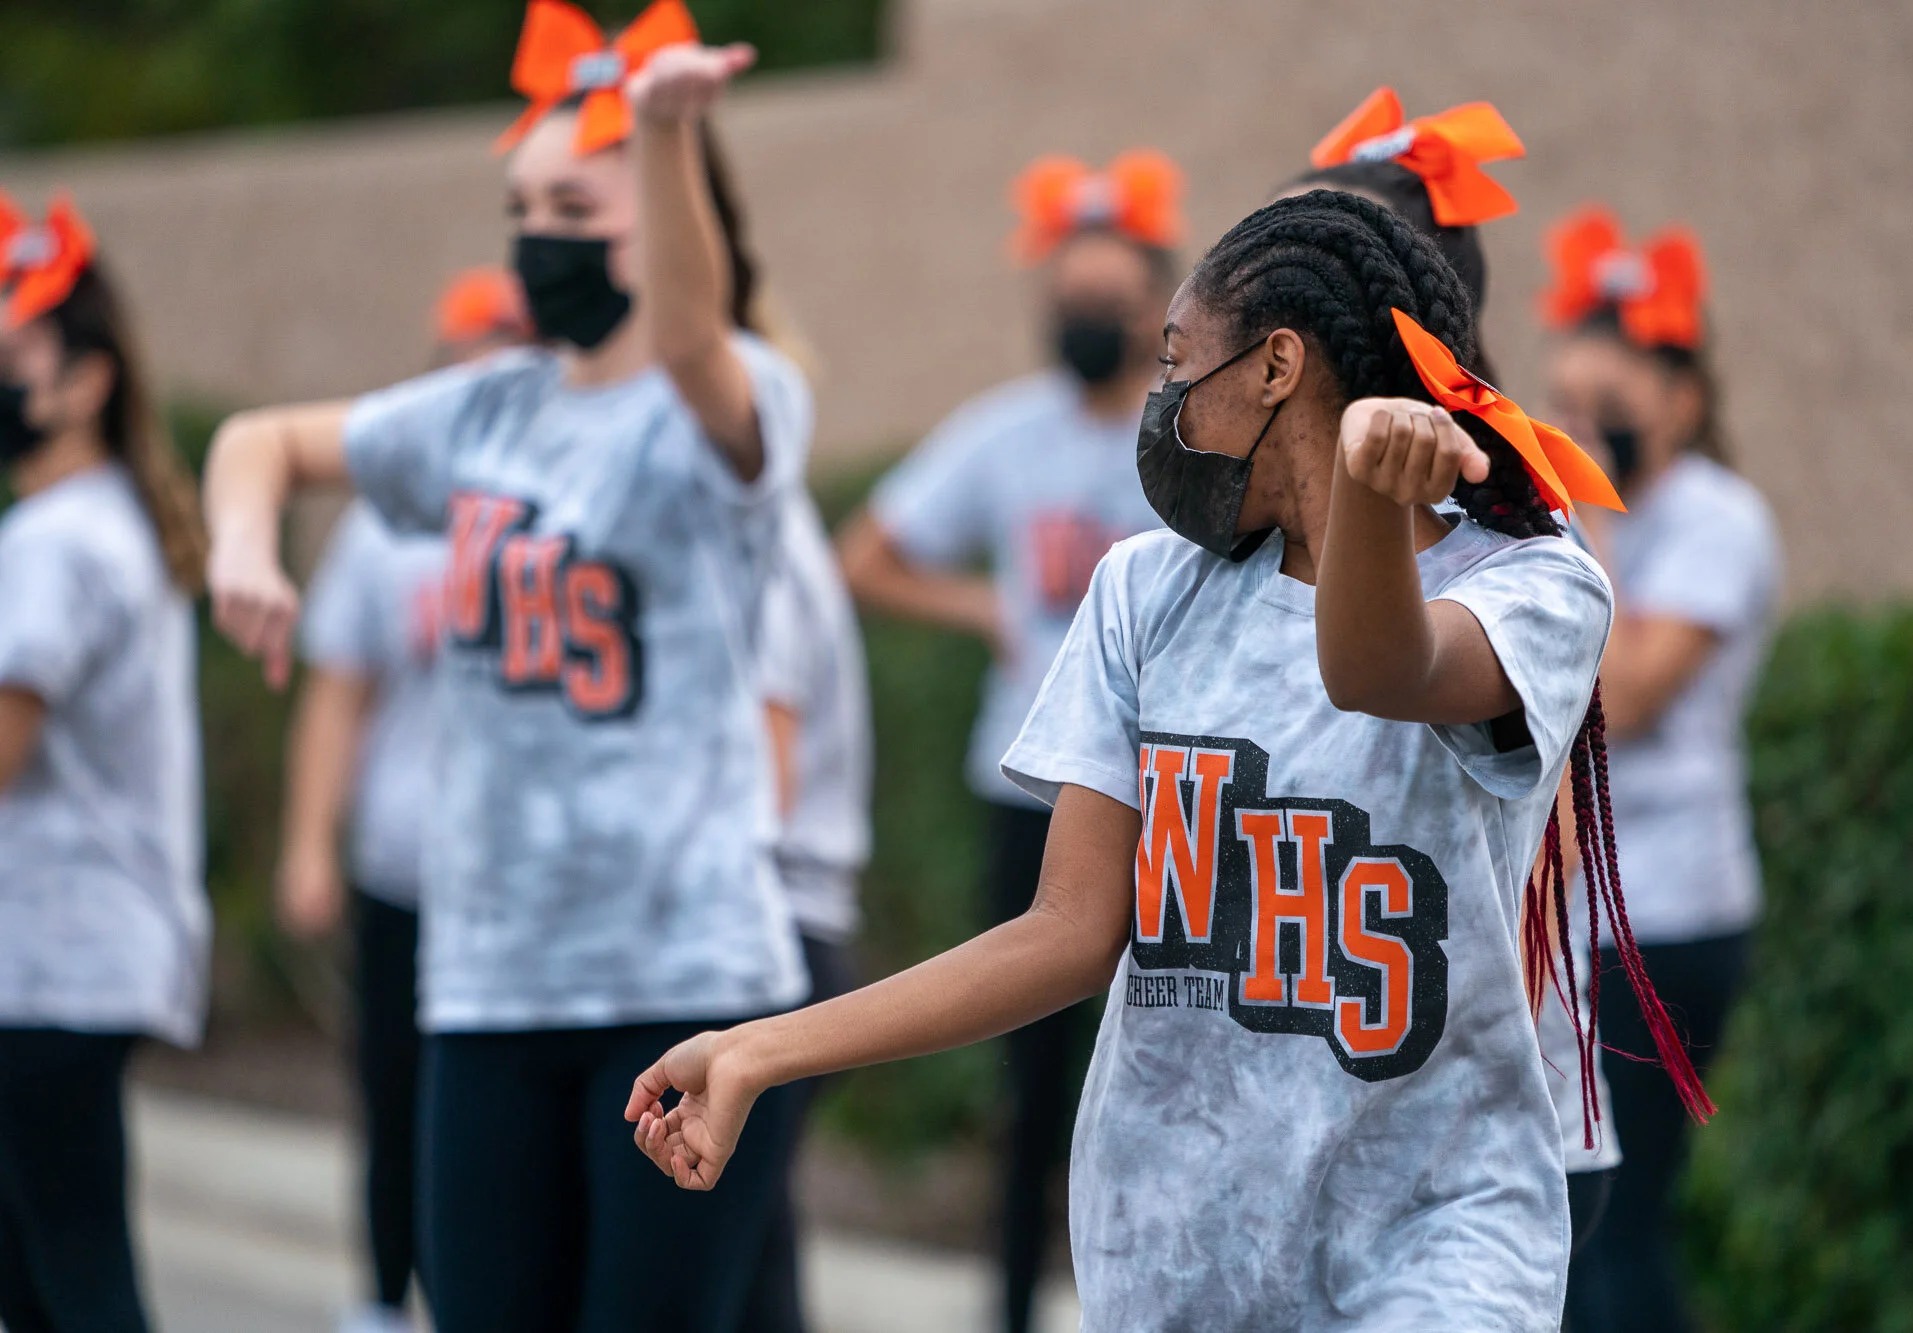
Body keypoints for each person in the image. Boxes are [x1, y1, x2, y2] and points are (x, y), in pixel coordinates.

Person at [630, 190, 1707, 1329]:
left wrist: (1359, 488)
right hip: (1176, 1238)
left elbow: (1375, 669)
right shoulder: (1144, 589)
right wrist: (758, 1049)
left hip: (1437, 1236)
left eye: (1175, 362)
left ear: (1276, 366)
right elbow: (1065, 930)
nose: (1159, 403)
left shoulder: (1534, 584)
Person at [200, 5, 815, 1327]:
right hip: (488, 979)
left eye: (573, 208)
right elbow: (259, 440)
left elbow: (692, 342)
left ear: (667, 218)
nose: (540, 237)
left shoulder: (738, 396)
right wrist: (244, 549)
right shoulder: (485, 409)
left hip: (684, 984)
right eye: (522, 208)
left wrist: (663, 128)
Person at [835, 148, 1181, 1333]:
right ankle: (1014, 1306)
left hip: (1178, 803)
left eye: (1108, 297)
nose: (1084, 316)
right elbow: (865, 556)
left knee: (1166, 1071)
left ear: (1159, 304)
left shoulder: (1193, 434)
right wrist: (985, 607)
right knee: (1029, 1076)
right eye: (1066, 295)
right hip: (1032, 792)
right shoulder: (1004, 434)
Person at [1283, 87, 1625, 1245]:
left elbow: (1541, 832)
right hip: (1320, 1115)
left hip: (1479, 1134)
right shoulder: (1216, 552)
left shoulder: (1520, 543)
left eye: (1305, 267)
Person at [275, 269, 532, 1333]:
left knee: (509, 1115)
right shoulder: (386, 528)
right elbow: (337, 693)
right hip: (405, 865)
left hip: (524, 888)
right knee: (393, 1096)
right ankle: (383, 1299)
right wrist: (307, 844)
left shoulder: (564, 513)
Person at [1540, 205, 1780, 1333]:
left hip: (1670, 916)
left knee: (1616, 1232)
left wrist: (1580, 518)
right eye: (1566, 406)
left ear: (1682, 400)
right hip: (1578, 923)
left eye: (1608, 406)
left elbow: (1624, 699)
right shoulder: (1589, 523)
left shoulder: (1715, 519)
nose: (1581, 430)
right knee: (1567, 1233)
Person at [0, 190, 209, 1333]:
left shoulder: (59, 540)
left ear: (87, 382)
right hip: (75, 957)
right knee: (44, 1279)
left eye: (12, 358)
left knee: (75, 1283)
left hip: (53, 962)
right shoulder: (100, 521)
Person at [736, 489, 873, 1333]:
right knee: (750, 1237)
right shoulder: (777, 532)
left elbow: (764, 788)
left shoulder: (760, 547)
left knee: (729, 1248)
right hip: (790, 927)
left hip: (770, 927)